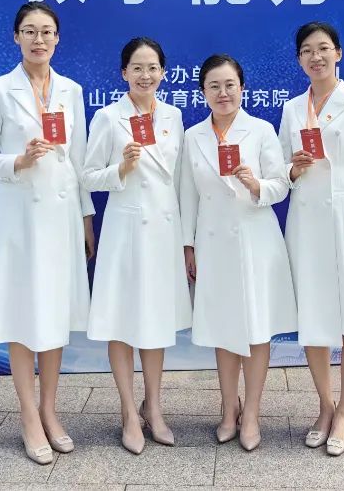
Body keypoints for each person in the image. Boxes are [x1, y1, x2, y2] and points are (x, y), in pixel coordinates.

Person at [0, 1, 95, 465]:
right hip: (20, 218)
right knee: (23, 314)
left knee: (55, 314)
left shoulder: (71, 90)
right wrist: (18, 161)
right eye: (29, 31)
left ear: (57, 38)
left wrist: (86, 218)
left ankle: (49, 410)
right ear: (16, 37)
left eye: (46, 31)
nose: (38, 39)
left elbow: (80, 162)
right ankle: (28, 415)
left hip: (62, 218)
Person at [278, 21, 344, 457]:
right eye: (307, 50)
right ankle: (324, 406)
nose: (316, 57)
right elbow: (280, 171)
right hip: (305, 221)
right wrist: (293, 168)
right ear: (299, 60)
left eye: (323, 48)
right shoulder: (292, 109)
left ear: (338, 53)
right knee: (314, 315)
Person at [180, 54, 298, 451]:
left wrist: (256, 184)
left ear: (242, 88)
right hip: (213, 243)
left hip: (255, 239)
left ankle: (252, 414)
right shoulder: (193, 136)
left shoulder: (261, 130)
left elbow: (281, 184)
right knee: (224, 326)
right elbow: (188, 195)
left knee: (257, 327)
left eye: (230, 85)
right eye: (214, 86)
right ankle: (229, 407)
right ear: (203, 92)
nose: (223, 93)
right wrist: (188, 245)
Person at [83, 37, 191, 454]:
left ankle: (154, 407)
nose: (145, 75)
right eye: (137, 68)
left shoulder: (173, 116)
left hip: (163, 230)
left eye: (152, 68)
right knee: (122, 318)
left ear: (163, 72)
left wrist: (186, 239)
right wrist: (121, 168)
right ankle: (129, 411)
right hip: (126, 231)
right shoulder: (109, 117)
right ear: (123, 73)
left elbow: (180, 180)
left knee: (156, 320)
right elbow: (88, 176)